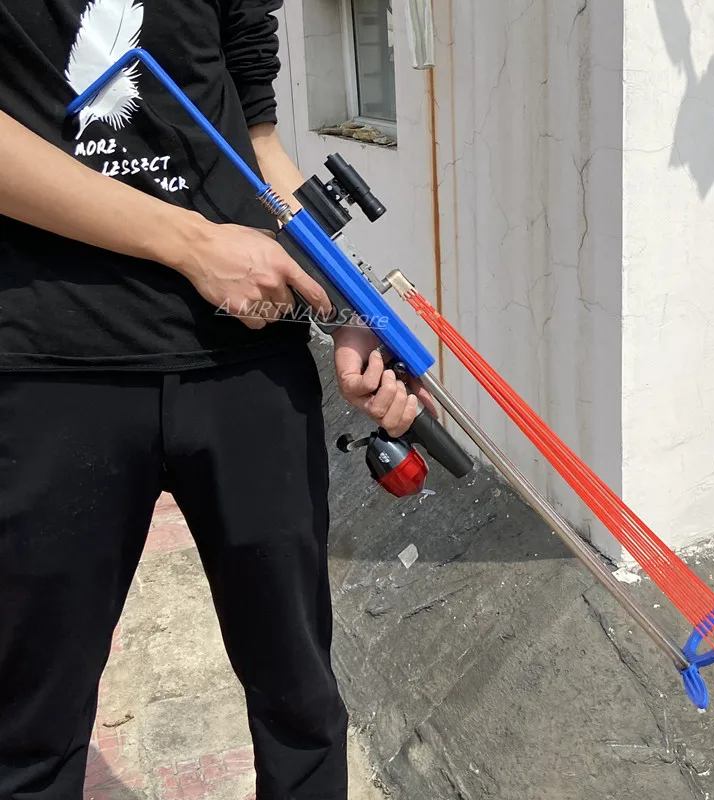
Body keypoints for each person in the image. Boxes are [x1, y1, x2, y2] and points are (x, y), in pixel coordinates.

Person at [0, 0, 431, 797]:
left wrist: (347, 306)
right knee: (29, 734)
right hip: (52, 363)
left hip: (250, 363)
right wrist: (192, 243)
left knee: (302, 707)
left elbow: (257, 147)